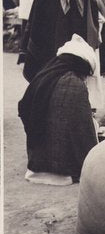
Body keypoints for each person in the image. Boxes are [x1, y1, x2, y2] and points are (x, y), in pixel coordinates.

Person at [18, 34, 98, 186]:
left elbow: (24, 108)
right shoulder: (74, 84)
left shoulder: (43, 77)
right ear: (81, 65)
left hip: (36, 167)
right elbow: (83, 133)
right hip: (64, 172)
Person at [12, 0, 46, 64]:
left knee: (32, 35)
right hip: (27, 14)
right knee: (27, 35)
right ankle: (26, 57)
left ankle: (31, 57)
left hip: (35, 13)